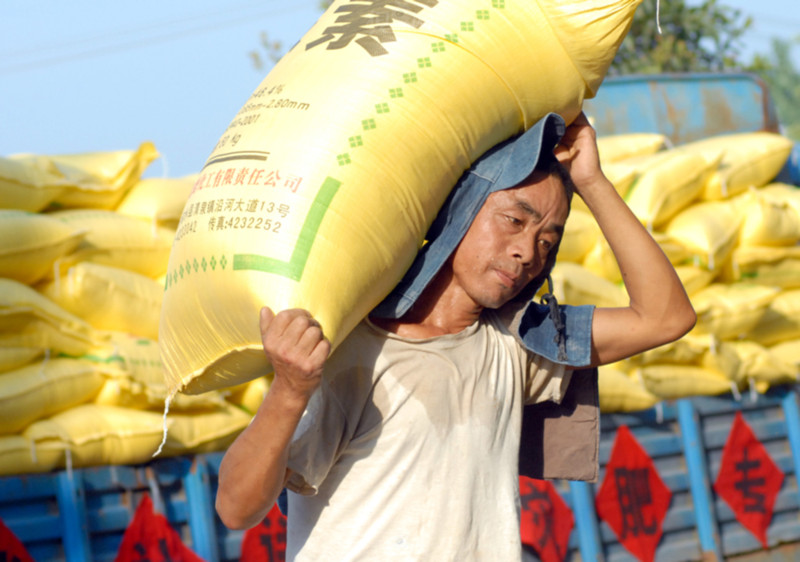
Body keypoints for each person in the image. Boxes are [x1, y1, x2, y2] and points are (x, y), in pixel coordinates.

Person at [215, 112, 697, 560]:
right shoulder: (351, 351)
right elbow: (237, 509)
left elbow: (665, 318)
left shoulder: (518, 344)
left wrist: (590, 181)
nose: (527, 252)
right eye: (514, 220)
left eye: (547, 240)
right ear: (461, 209)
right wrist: (290, 389)